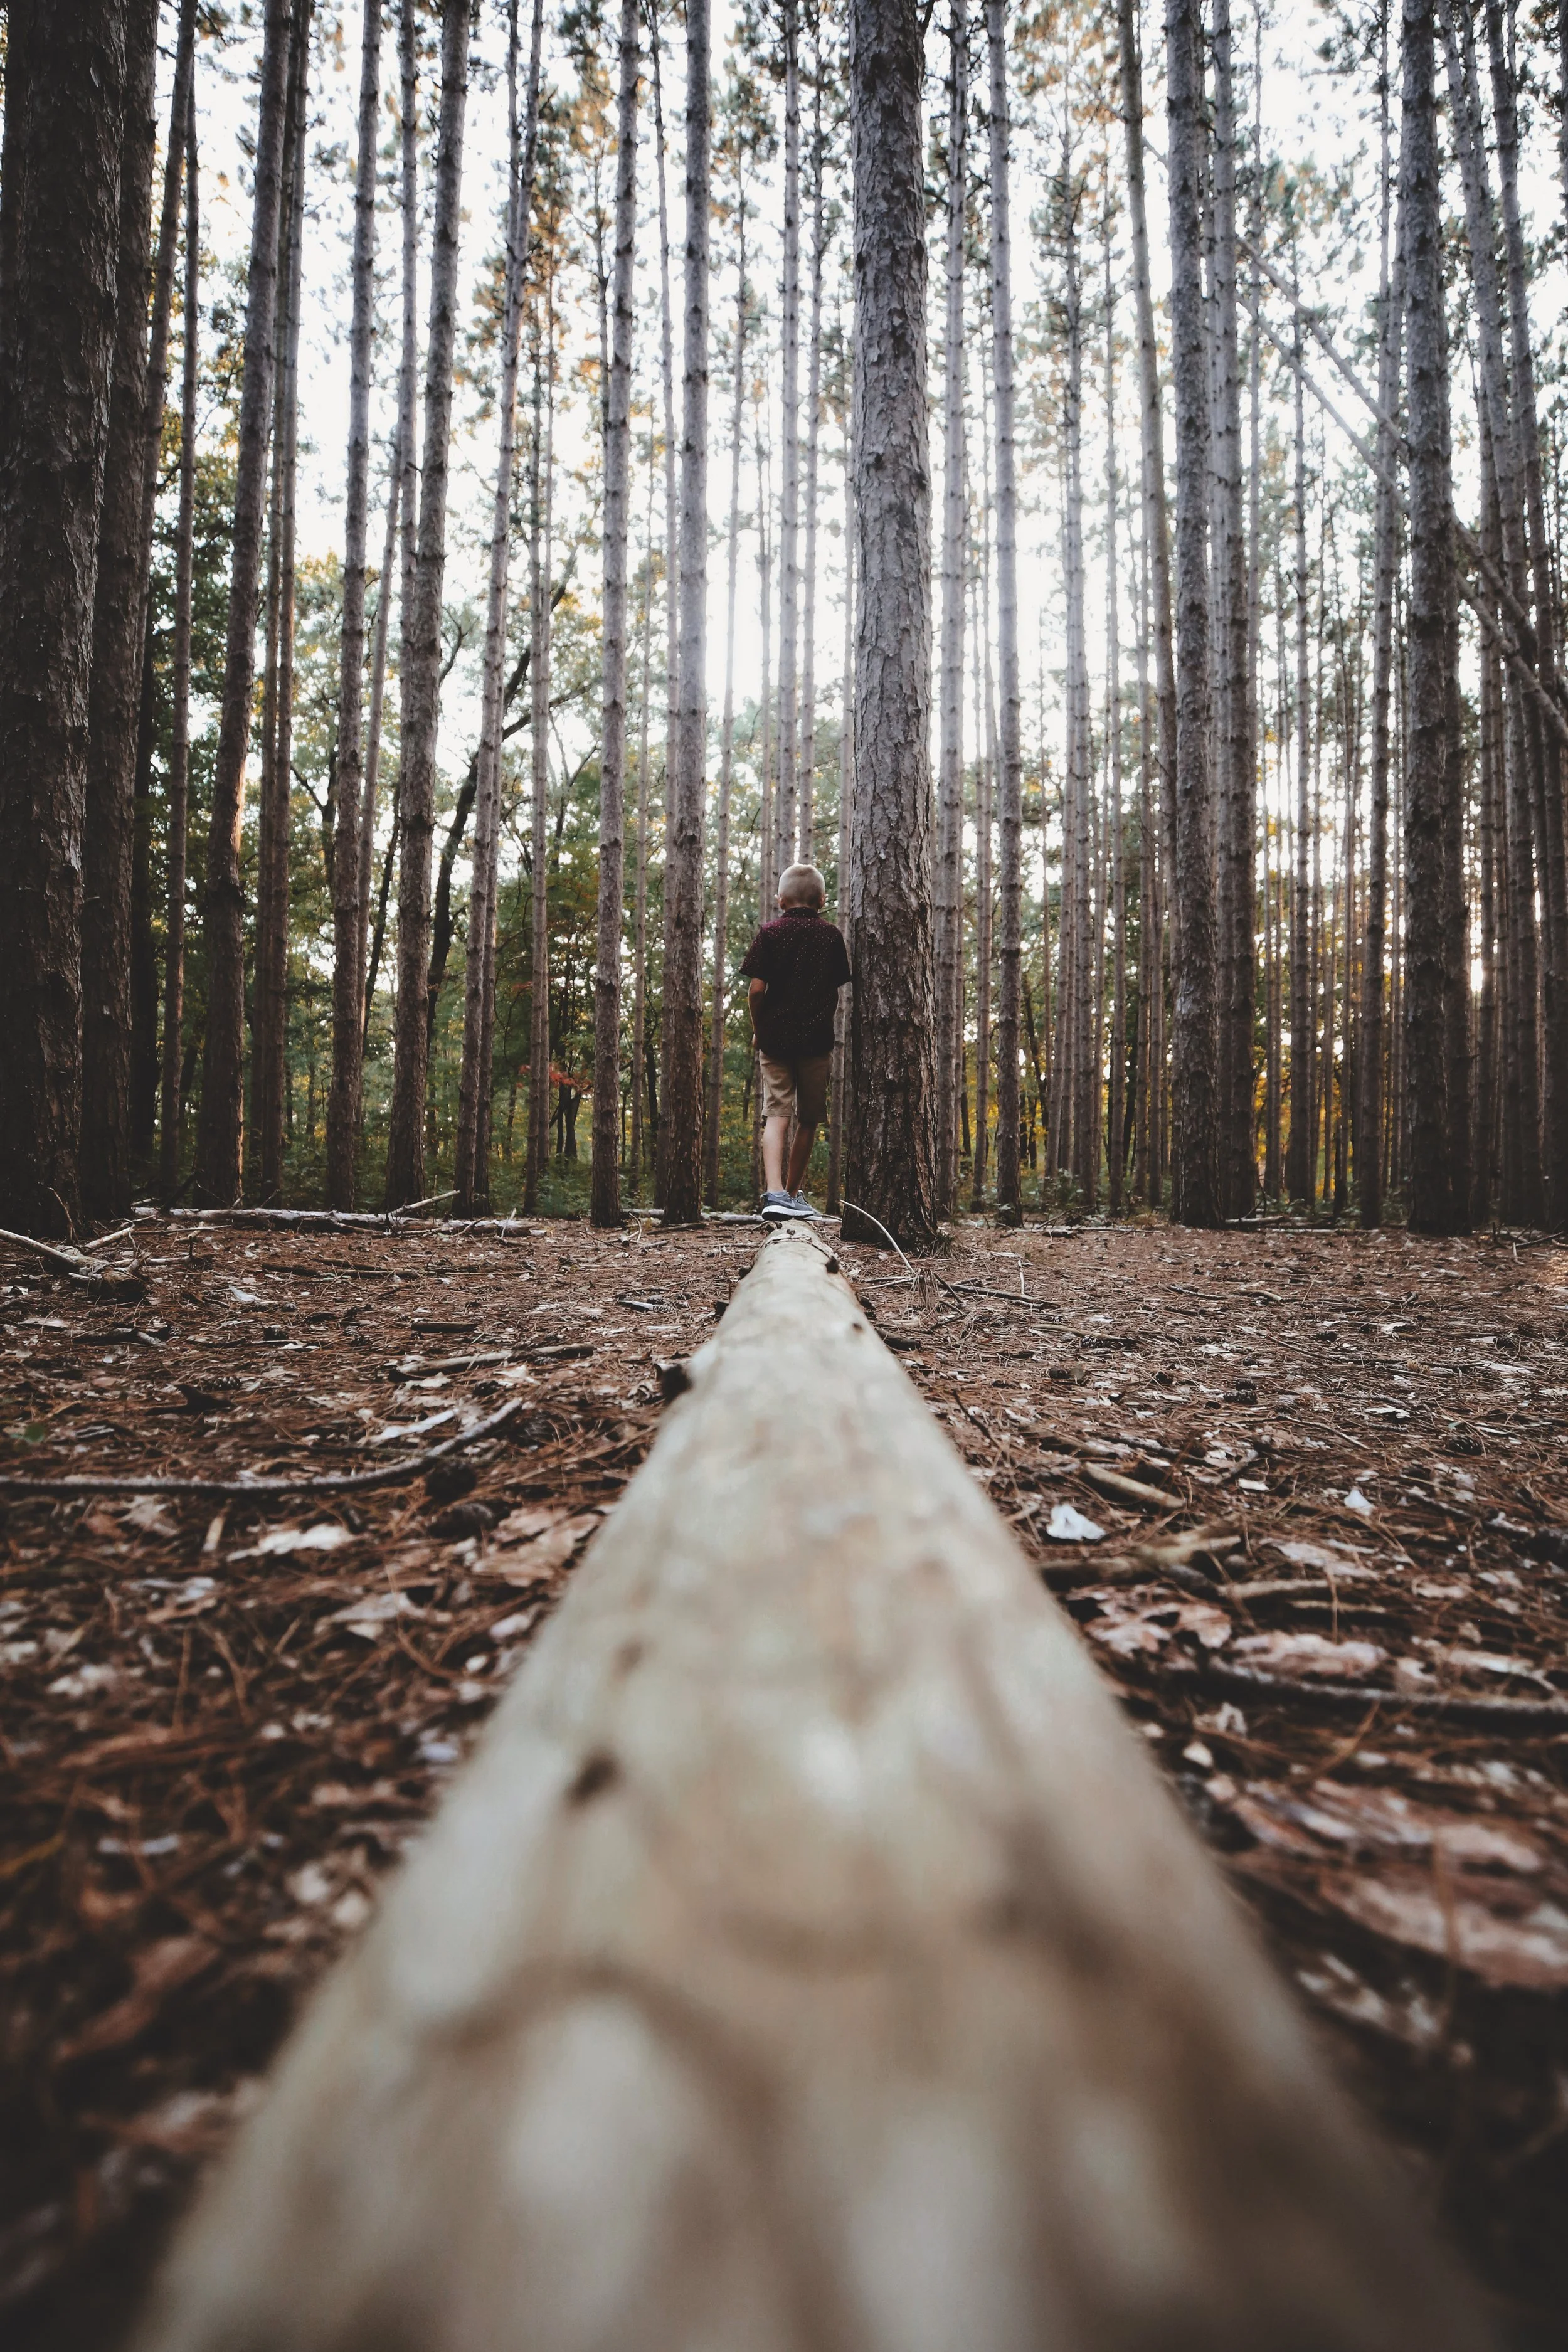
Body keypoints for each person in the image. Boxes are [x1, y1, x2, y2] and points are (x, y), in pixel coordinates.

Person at [739, 862, 852, 1221]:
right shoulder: (832, 936)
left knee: (776, 1114)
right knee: (808, 1119)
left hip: (776, 1041)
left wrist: (761, 1029)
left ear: (780, 900)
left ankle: (775, 1195)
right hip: (817, 1042)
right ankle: (791, 1194)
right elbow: (835, 986)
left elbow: (756, 991)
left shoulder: (770, 933)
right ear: (822, 899)